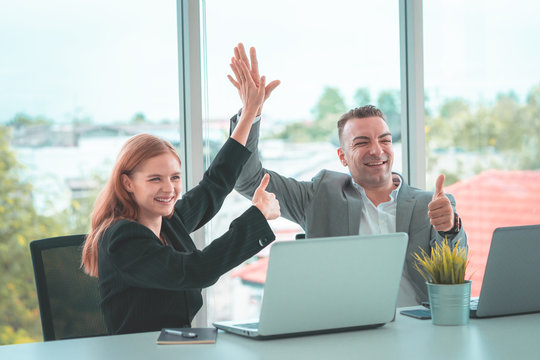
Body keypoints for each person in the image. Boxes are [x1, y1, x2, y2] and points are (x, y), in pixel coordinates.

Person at [228, 44, 467, 306]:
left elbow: (453, 278)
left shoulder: (431, 206)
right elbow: (249, 180)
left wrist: (449, 229)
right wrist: (251, 113)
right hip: (346, 333)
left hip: (416, 330)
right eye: (362, 142)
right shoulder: (319, 196)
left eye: (384, 140)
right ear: (342, 156)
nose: (377, 150)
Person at [81, 55, 280, 335]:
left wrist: (250, 113)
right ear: (127, 183)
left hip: (176, 348)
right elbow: (198, 270)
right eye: (155, 179)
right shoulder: (123, 238)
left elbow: (214, 185)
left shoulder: (166, 221)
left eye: (174, 177)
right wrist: (257, 215)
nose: (169, 189)